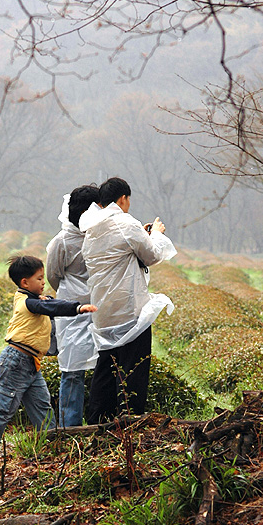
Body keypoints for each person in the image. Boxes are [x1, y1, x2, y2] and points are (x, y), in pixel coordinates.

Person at [0, 255, 97, 458]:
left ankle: (50, 444)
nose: (43, 282)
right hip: (17, 361)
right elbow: (49, 307)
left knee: (42, 405)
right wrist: (77, 308)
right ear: (25, 282)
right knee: (5, 404)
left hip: (30, 363)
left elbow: (48, 303)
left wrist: (51, 301)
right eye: (39, 278)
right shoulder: (28, 303)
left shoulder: (31, 299)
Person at [79, 177, 176, 423]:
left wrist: (141, 235)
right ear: (123, 198)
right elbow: (152, 255)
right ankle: (131, 421)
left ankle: (98, 421)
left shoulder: (91, 228)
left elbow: (120, 252)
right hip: (130, 312)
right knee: (134, 369)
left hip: (103, 312)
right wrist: (155, 233)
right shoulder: (125, 222)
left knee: (105, 368)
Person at [46, 185, 100, 427]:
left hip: (82, 306)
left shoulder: (92, 236)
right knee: (74, 369)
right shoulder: (64, 241)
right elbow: (52, 275)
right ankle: (72, 427)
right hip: (78, 309)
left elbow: (53, 276)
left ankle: (72, 425)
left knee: (75, 371)